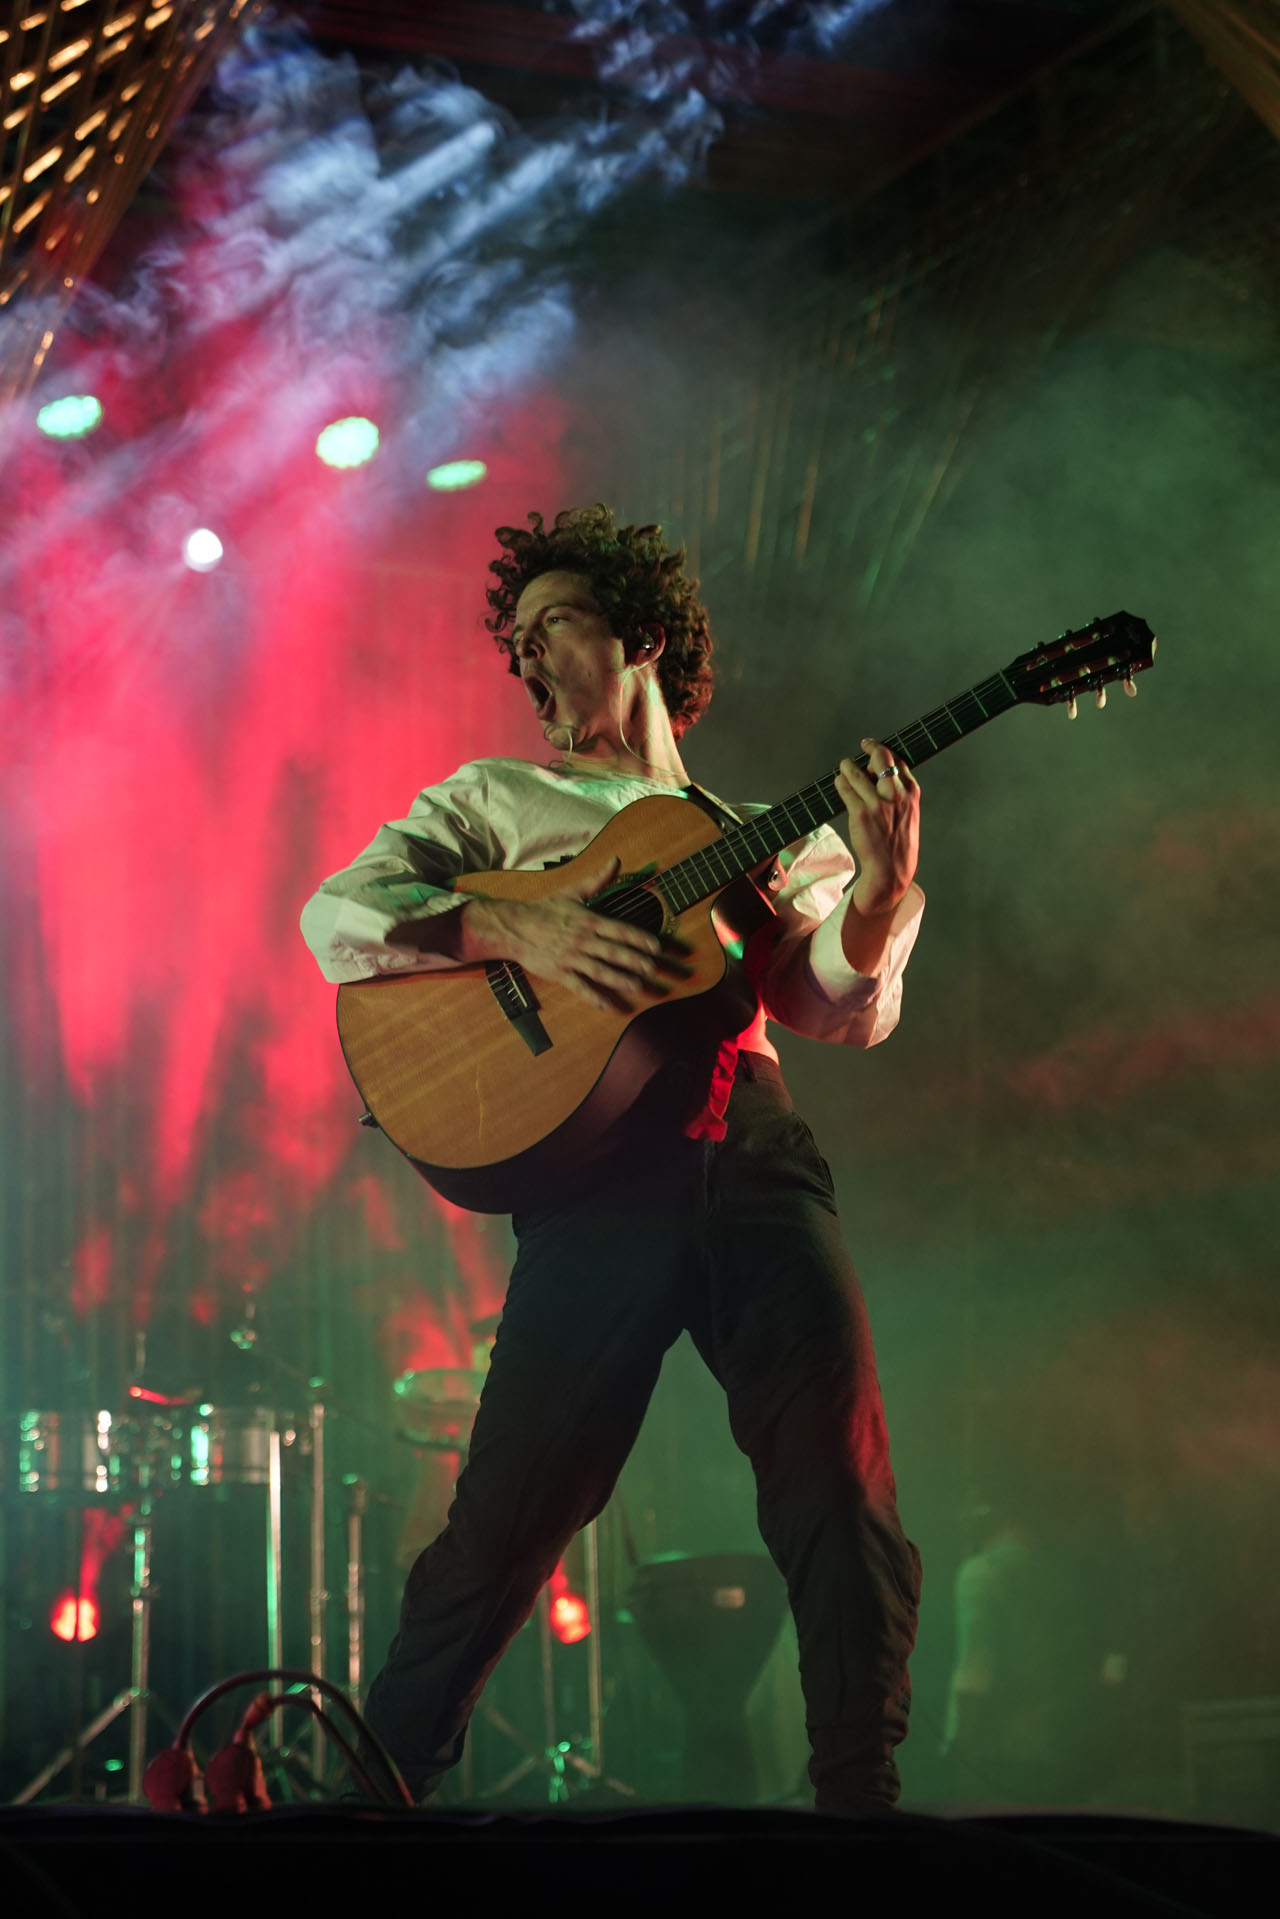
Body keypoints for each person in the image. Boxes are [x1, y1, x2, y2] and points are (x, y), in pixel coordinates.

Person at [300, 503, 926, 1814]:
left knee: (840, 1477)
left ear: (641, 637)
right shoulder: (498, 799)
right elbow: (340, 915)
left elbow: (829, 1006)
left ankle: (859, 1802)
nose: (527, 660)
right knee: (513, 1512)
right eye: (517, 642)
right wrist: (515, 932)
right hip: (594, 1179)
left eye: (555, 625)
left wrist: (875, 898)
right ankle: (374, 1792)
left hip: (754, 1151)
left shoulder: (763, 829)